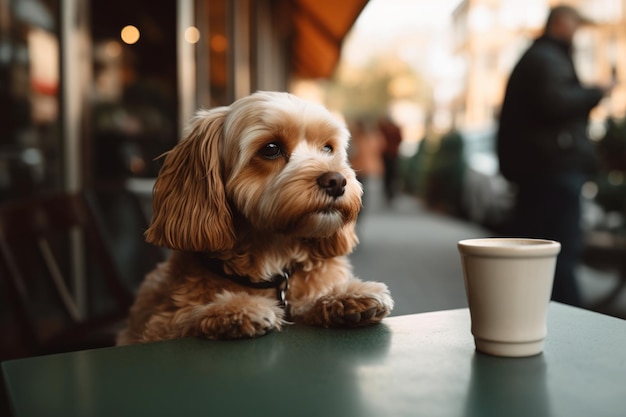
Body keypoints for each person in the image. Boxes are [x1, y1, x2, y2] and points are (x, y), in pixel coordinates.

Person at [497, 5, 614, 307]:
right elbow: (556, 101)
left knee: (534, 253)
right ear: (561, 24)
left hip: (540, 170)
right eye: (575, 26)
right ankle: (569, 329)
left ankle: (524, 318)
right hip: (552, 171)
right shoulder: (547, 58)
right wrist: (595, 92)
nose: (577, 34)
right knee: (558, 254)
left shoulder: (539, 56)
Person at [378, 117, 403, 205]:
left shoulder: (384, 127)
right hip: (392, 153)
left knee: (388, 175)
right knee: (392, 174)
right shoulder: (395, 128)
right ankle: (390, 192)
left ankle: (389, 192)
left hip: (387, 153)